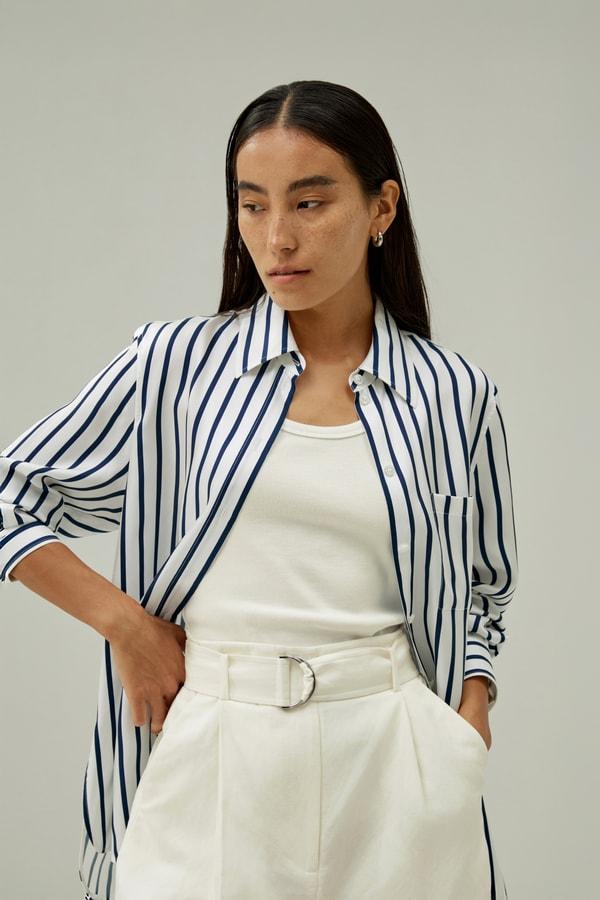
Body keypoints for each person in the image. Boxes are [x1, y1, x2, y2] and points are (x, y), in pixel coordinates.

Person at [0, 79, 518, 900]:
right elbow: (11, 496)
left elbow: (484, 584)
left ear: (381, 208)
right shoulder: (174, 367)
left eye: (310, 203)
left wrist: (471, 707)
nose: (277, 237)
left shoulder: (455, 394)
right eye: (252, 205)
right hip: (213, 750)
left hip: (393, 760)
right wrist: (126, 626)